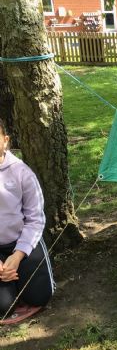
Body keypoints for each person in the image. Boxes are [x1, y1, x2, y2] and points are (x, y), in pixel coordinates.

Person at [0, 118, 55, 324]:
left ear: (5, 140)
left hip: (22, 242)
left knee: (40, 297)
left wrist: (17, 255)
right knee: (3, 306)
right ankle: (10, 290)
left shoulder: (22, 172)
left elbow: (35, 218)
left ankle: (21, 281)